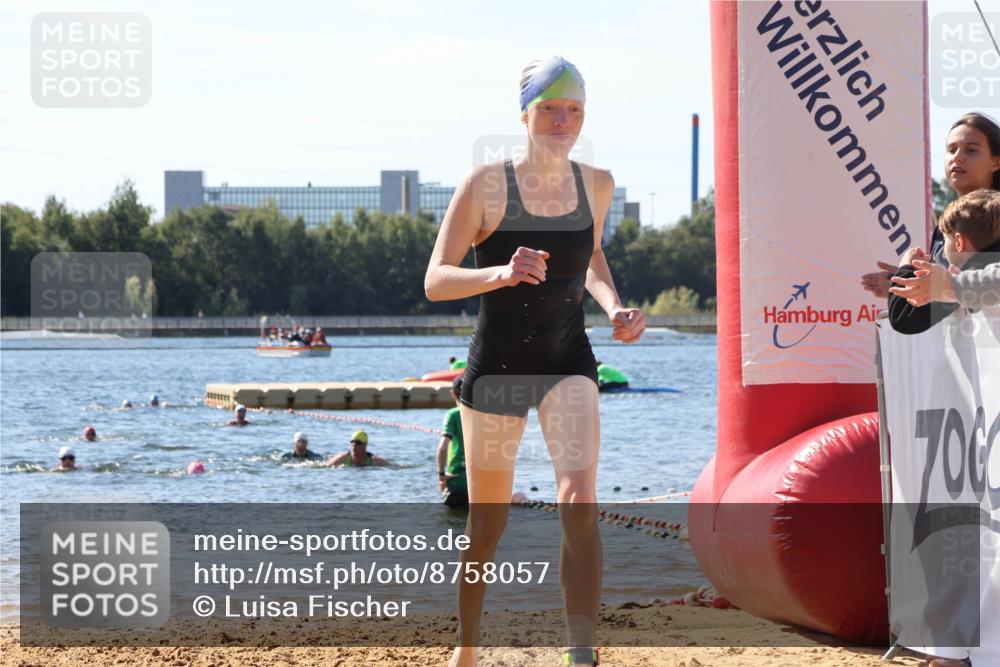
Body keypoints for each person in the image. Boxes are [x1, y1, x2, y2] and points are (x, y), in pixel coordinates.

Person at [423, 56, 645, 667]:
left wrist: (616, 307)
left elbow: (591, 257)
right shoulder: (484, 184)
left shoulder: (597, 184)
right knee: (486, 528)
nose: (562, 121)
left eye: (574, 110)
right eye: (549, 108)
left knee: (579, 501)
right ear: (524, 114)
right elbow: (436, 280)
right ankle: (467, 650)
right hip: (497, 369)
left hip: (567, 360)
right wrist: (500, 272)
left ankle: (582, 653)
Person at [863, 112, 1000, 298]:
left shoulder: (995, 220)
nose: (957, 157)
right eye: (951, 150)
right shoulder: (948, 222)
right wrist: (909, 282)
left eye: (971, 150)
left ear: (996, 162)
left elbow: (975, 286)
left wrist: (924, 284)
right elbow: (943, 295)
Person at [888, 189, 1000, 334]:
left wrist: (906, 268)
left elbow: (903, 317)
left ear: (959, 242)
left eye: (945, 239)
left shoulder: (973, 273)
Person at [437, 377, 468, 506]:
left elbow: (443, 448)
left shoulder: (453, 415)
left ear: (453, 393)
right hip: (480, 482)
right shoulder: (483, 414)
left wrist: (441, 474)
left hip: (456, 480)